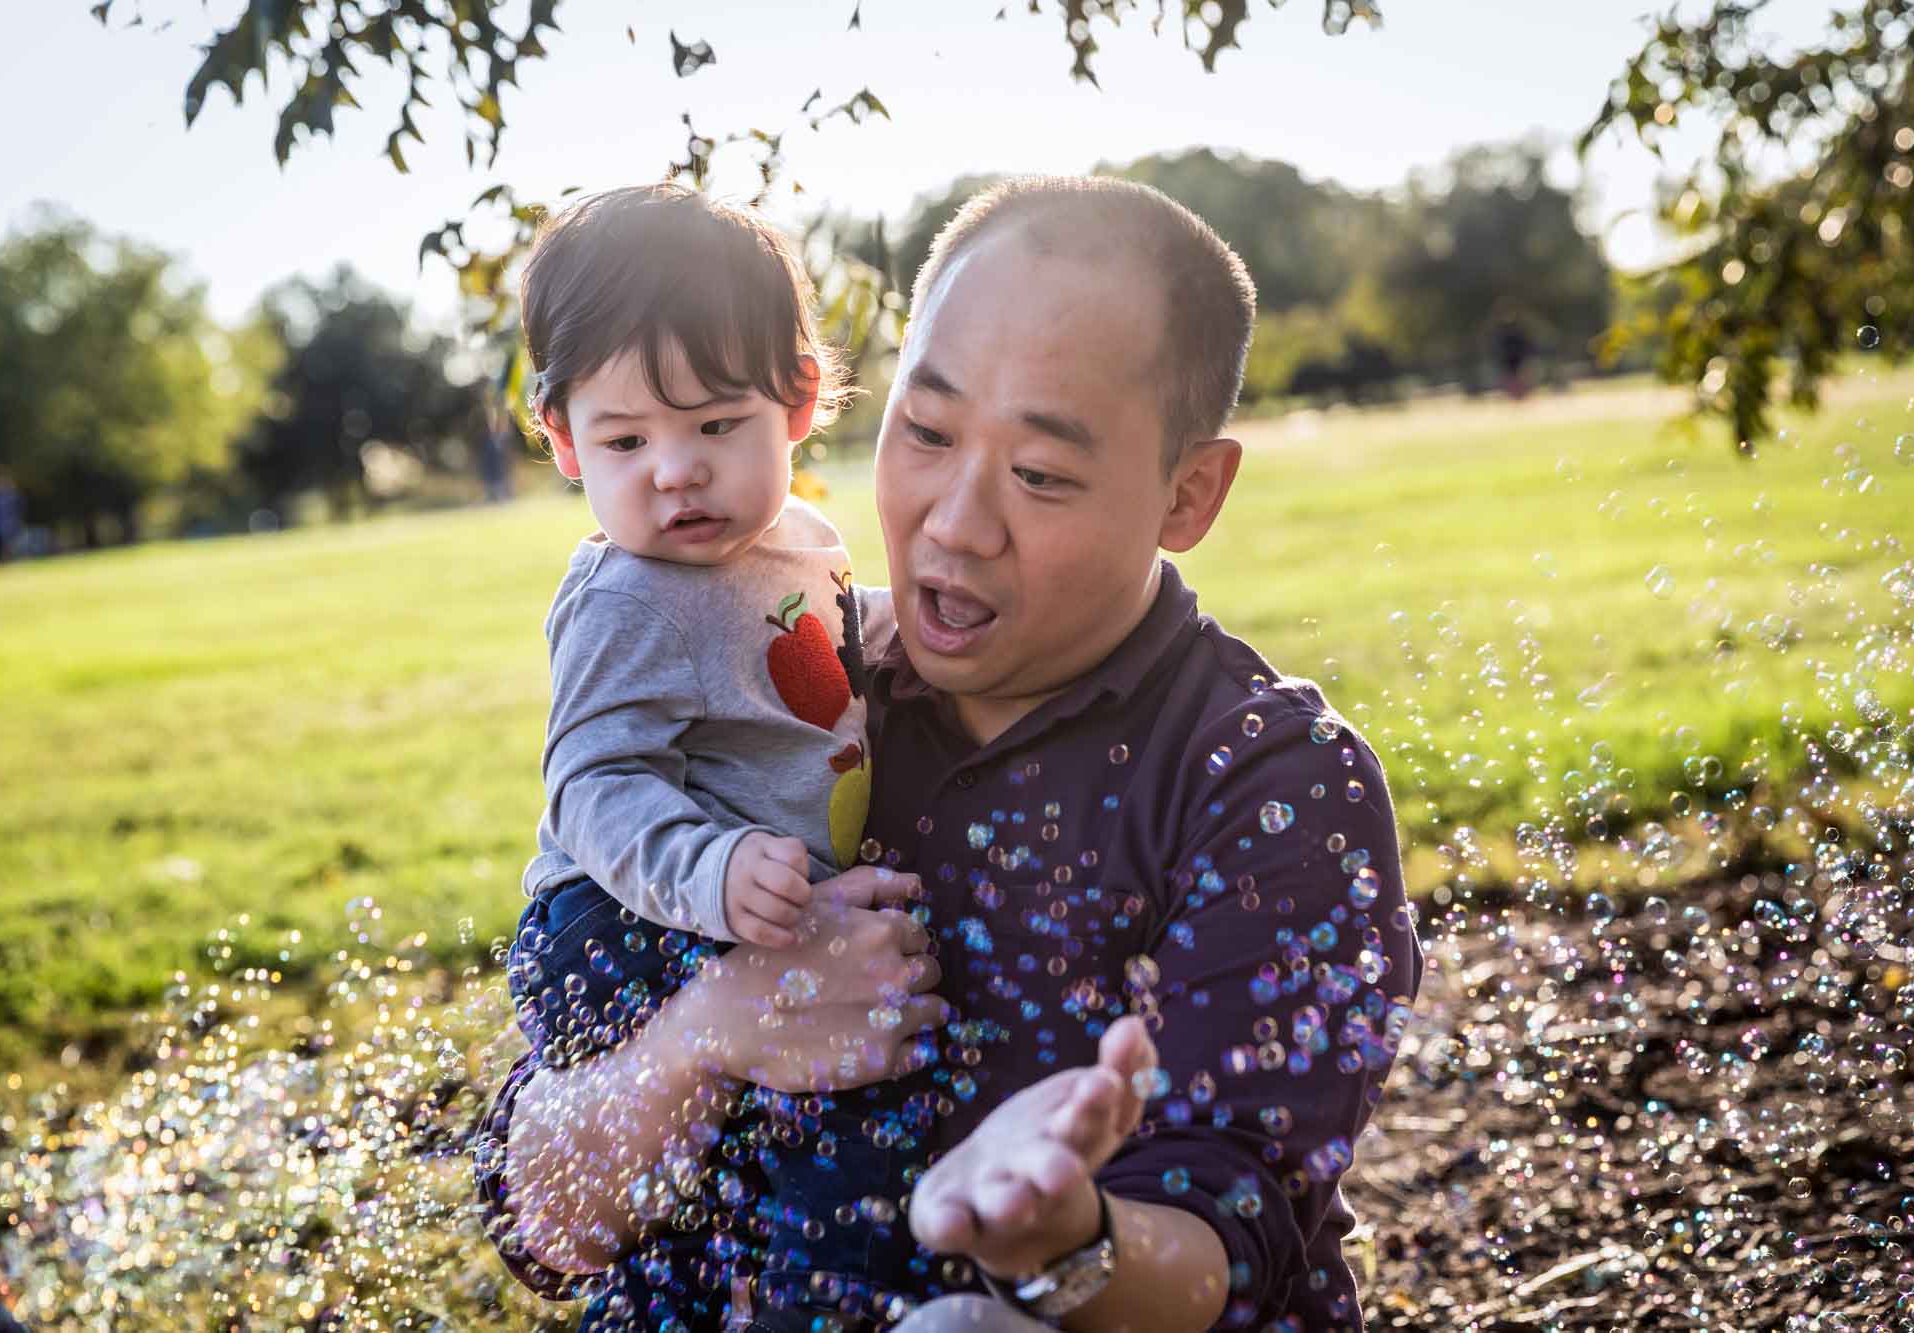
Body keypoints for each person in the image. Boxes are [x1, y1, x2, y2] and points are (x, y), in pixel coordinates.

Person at [474, 175, 1423, 1333]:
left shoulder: (1264, 783)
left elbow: (1235, 1240)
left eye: (1040, 474)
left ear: (1188, 493)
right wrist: (708, 1034)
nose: (955, 523)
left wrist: (1062, 1242)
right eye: (923, 432)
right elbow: (540, 1222)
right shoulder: (786, 685)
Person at [503, 183, 928, 1330]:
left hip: (721, 898)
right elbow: (591, 785)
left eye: (713, 425)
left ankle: (767, 1284)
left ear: (796, 404)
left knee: (782, 1125)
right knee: (752, 1150)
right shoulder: (626, 596)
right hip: (616, 922)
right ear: (561, 439)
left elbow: (816, 638)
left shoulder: (796, 538)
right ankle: (795, 1296)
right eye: (626, 440)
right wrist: (707, 868)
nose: (674, 471)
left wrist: (911, 629)